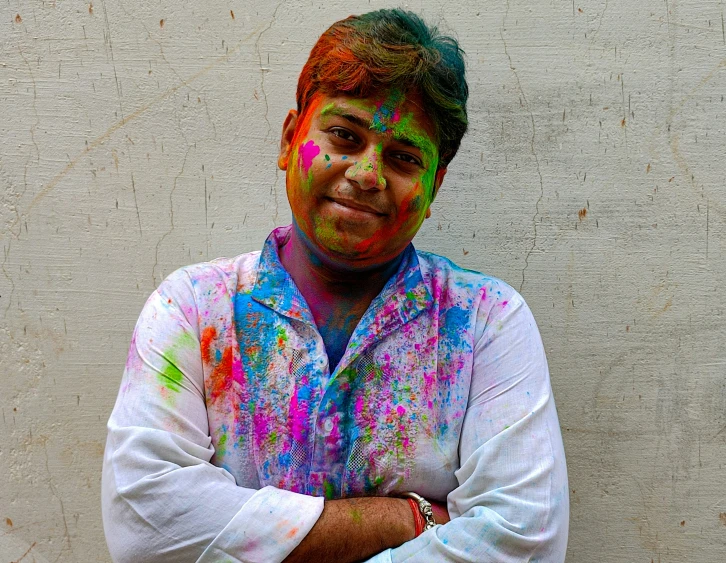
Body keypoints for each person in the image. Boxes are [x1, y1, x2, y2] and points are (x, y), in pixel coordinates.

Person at [102, 8, 569, 563]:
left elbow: (523, 543)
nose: (367, 174)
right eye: (345, 136)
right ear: (288, 138)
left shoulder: (486, 321)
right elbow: (145, 526)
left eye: (402, 157)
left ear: (433, 185)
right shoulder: (193, 309)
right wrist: (406, 518)